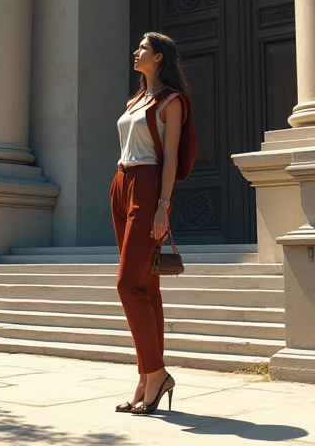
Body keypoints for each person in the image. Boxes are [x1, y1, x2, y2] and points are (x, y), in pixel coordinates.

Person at [111, 31, 189, 415]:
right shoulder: (133, 101)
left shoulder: (170, 102)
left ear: (159, 58)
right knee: (146, 285)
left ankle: (156, 373)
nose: (135, 51)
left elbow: (171, 157)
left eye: (142, 48)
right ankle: (147, 376)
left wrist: (163, 205)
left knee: (127, 283)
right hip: (122, 184)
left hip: (147, 188)